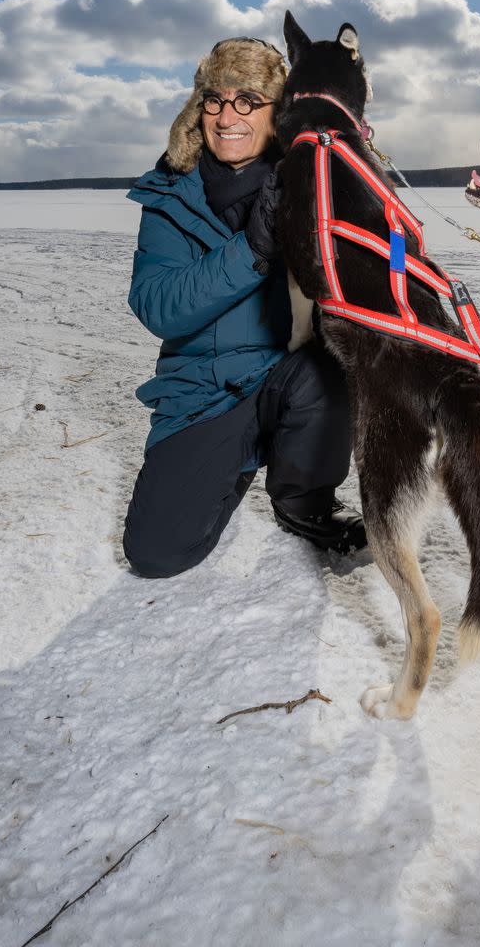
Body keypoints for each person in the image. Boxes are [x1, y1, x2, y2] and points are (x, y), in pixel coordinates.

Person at [122, 35, 365, 577]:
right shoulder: (171, 195)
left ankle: (304, 501)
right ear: (199, 107)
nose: (228, 115)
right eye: (216, 99)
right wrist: (252, 250)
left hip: (288, 373)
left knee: (327, 370)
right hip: (207, 391)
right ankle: (233, 454)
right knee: (157, 555)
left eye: (249, 101)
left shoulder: (304, 184)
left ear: (276, 113)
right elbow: (159, 305)